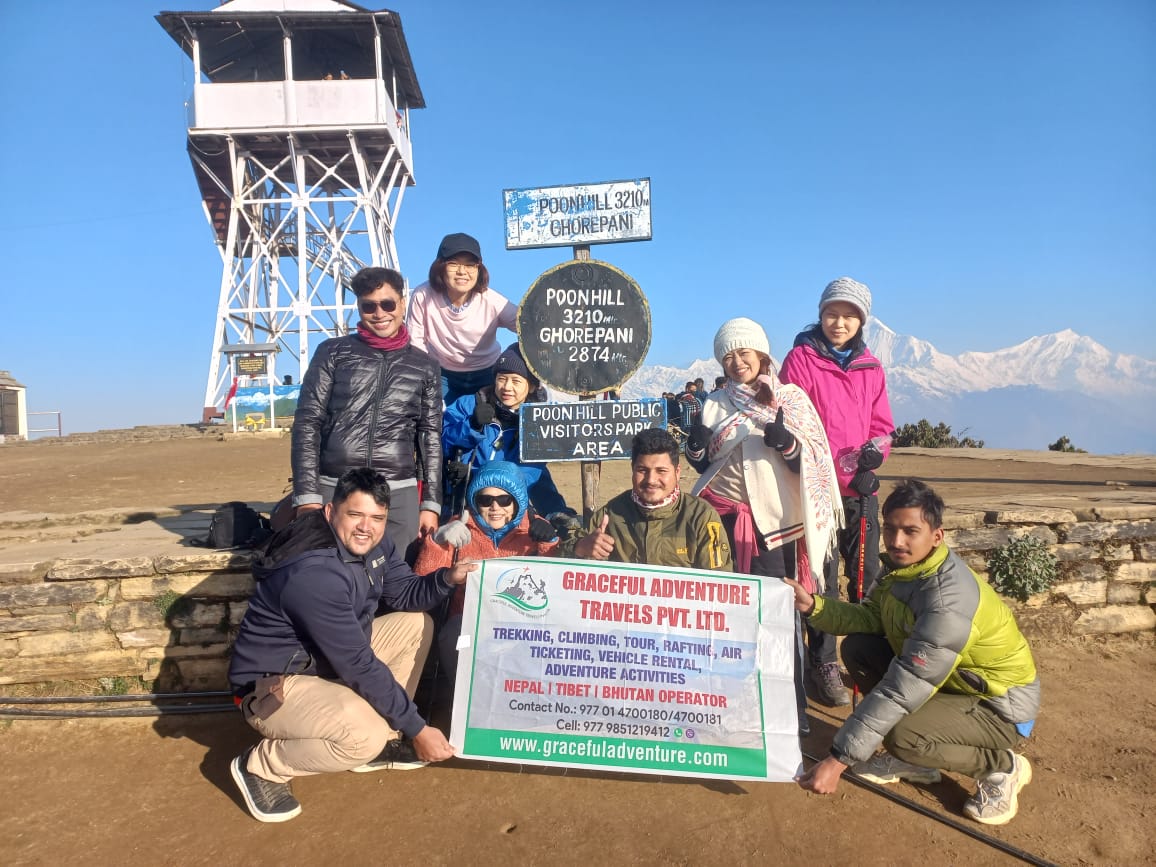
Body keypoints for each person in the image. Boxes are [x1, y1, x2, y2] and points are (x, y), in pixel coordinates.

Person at [227, 468, 478, 823]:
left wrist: (448, 577)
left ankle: (387, 739)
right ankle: (263, 765)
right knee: (363, 737)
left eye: (377, 518)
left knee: (415, 624)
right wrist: (417, 727)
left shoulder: (376, 544)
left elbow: (406, 594)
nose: (367, 527)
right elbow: (359, 664)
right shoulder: (315, 573)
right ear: (330, 512)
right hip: (274, 685)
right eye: (355, 514)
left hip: (324, 664)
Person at [789, 479, 1040, 827]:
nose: (896, 541)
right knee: (859, 648)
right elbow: (871, 617)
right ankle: (919, 760)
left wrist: (837, 760)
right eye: (890, 529)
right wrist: (813, 606)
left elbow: (903, 687)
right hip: (954, 684)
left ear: (936, 536)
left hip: (998, 707)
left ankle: (1002, 767)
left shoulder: (947, 603)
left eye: (910, 531)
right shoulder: (903, 570)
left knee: (901, 734)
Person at [683, 317, 843, 733]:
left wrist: (787, 443)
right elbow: (707, 461)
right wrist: (696, 449)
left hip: (775, 525)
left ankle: (790, 705)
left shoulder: (790, 400)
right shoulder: (716, 403)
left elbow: (811, 462)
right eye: (729, 356)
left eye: (744, 353)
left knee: (776, 614)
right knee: (726, 612)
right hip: (721, 516)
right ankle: (730, 701)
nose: (737, 362)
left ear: (762, 354)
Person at [779, 276, 895, 707]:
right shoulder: (801, 360)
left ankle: (868, 660)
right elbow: (791, 417)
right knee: (823, 581)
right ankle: (823, 662)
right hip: (816, 490)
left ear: (862, 320)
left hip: (860, 491)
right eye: (832, 313)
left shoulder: (871, 367)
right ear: (821, 314)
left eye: (849, 315)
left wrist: (873, 461)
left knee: (866, 579)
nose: (839, 322)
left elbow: (882, 429)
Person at [291, 266, 442, 553]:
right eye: (368, 306)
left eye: (387, 304)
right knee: (329, 574)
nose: (380, 313)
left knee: (396, 579)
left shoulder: (425, 365)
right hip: (336, 485)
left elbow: (430, 436)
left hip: (398, 491)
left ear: (403, 302)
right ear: (358, 307)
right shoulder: (332, 352)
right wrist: (307, 495)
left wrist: (430, 505)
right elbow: (307, 423)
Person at [414, 461, 560, 679]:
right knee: (453, 635)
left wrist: (550, 543)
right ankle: (463, 697)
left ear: (517, 502)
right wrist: (437, 542)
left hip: (520, 623)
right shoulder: (459, 527)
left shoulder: (534, 530)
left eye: (504, 500)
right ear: (475, 500)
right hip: (468, 620)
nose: (495, 507)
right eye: (485, 499)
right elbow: (421, 580)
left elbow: (554, 585)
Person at [560, 428, 733, 571]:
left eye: (661, 471)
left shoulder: (701, 517)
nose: (651, 480)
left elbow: (719, 583)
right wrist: (580, 547)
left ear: (677, 472)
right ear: (632, 469)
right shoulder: (610, 514)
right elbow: (562, 559)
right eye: (642, 470)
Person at [440, 342, 569, 519]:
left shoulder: (538, 421)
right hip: (460, 507)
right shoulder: (468, 405)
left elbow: (530, 474)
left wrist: (476, 479)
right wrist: (471, 426)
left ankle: (558, 516)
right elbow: (440, 442)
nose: (507, 387)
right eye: (502, 378)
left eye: (516, 381)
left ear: (531, 386)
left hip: (504, 508)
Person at [406, 232, 517, 405]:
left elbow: (526, 325)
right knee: (436, 422)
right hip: (442, 373)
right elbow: (416, 342)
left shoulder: (491, 300)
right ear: (440, 266)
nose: (462, 271)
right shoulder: (423, 295)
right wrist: (426, 378)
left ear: (479, 269)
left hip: (487, 371)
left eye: (470, 265)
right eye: (453, 264)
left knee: (488, 424)